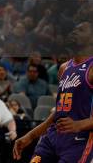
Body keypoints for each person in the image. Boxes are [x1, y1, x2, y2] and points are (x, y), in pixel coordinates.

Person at [13, 22, 93, 163]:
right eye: (74, 29)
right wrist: (31, 136)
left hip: (78, 141)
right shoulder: (64, 68)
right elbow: (59, 111)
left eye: (81, 30)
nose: (74, 32)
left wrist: (78, 125)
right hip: (52, 138)